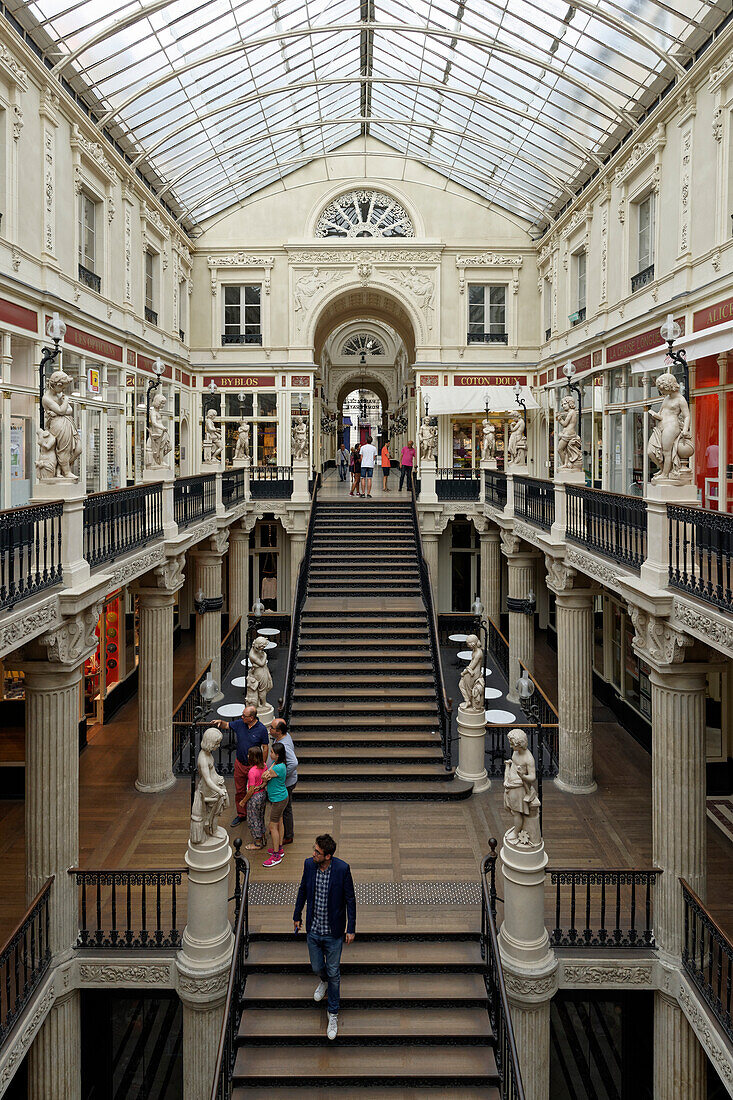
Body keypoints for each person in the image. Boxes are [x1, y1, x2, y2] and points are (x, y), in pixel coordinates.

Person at [293, 834, 356, 1040]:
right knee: (317, 967)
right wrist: (297, 916)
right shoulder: (309, 865)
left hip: (334, 933)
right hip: (313, 929)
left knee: (334, 973)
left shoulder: (342, 869)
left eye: (317, 852)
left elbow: (350, 900)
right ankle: (324, 981)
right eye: (314, 849)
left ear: (328, 856)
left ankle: (333, 1014)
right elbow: (303, 890)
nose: (313, 854)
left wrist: (351, 928)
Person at [213, 705, 268, 827]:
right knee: (240, 790)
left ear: (252, 717)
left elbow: (265, 747)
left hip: (254, 767)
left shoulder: (262, 729)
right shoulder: (240, 723)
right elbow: (227, 725)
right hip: (240, 764)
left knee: (255, 791)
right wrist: (220, 722)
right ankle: (241, 814)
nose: (241, 717)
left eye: (244, 716)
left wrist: (262, 765)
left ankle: (254, 814)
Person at [269, 717, 298, 845]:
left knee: (285, 809)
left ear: (279, 731)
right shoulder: (282, 738)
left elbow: (293, 762)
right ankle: (280, 830)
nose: (270, 729)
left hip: (285, 783)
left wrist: (281, 775)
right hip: (284, 782)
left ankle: (287, 835)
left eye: (272, 728)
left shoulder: (285, 744)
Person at [261, 742, 289, 867]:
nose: (269, 754)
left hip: (278, 800)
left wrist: (265, 775)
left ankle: (276, 855)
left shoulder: (277, 768)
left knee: (272, 826)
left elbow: (264, 776)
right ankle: (280, 848)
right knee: (280, 822)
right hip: (281, 797)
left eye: (272, 752)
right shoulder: (278, 764)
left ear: (277, 755)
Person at [241, 745, 267, 851]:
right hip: (262, 795)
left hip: (254, 798)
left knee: (253, 819)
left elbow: (251, 790)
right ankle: (263, 837)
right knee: (260, 816)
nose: (247, 756)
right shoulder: (264, 765)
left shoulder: (252, 771)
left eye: (249, 754)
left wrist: (243, 801)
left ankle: (257, 842)